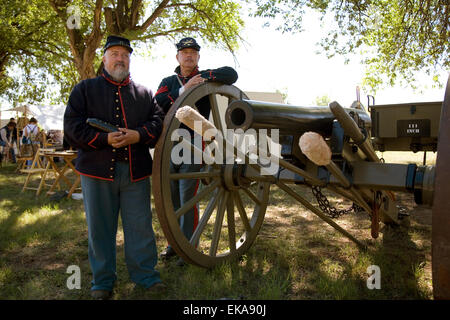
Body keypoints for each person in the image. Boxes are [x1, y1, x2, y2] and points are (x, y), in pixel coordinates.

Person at [64, 35, 165, 300]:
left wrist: (138, 135)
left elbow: (157, 123)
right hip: (97, 172)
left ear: (129, 59)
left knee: (140, 227)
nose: (120, 58)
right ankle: (102, 282)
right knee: (100, 229)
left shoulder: (144, 93)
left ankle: (146, 276)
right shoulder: (84, 89)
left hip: (136, 172)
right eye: (115, 53)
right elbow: (72, 128)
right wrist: (103, 139)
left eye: (125, 54)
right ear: (104, 58)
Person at [155, 37, 238, 265]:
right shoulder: (169, 81)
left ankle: (189, 246)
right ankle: (174, 244)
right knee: (171, 198)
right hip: (170, 142)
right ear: (178, 57)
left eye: (193, 52)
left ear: (198, 57)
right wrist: (185, 88)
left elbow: (231, 74)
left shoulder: (205, 77)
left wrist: (203, 78)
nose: (189, 56)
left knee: (187, 197)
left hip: (193, 143)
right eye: (185, 52)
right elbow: (159, 102)